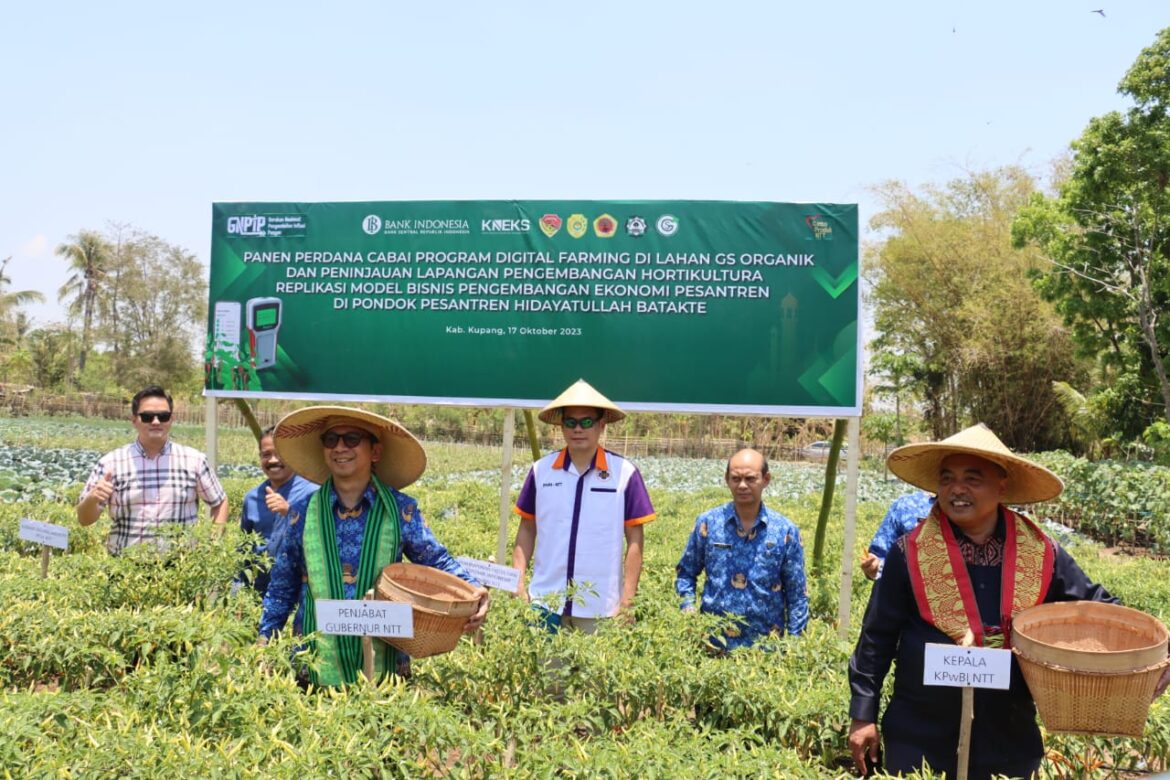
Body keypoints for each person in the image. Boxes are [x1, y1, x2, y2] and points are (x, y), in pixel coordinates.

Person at [847, 423, 1129, 780]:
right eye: (947, 479)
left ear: (1002, 485)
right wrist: (863, 713)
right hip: (920, 732)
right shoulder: (911, 552)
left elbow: (1093, 606)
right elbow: (877, 636)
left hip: (1008, 735)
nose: (956, 489)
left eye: (972, 479)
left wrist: (1150, 647)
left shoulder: (1042, 552)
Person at [258, 406, 489, 686]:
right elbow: (283, 585)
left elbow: (435, 559)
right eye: (331, 440)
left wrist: (472, 588)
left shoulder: (401, 510)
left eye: (352, 438)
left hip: (386, 665)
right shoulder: (302, 513)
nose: (340, 447)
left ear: (375, 452)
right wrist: (265, 641)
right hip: (315, 665)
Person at [512, 379, 655, 632]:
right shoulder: (541, 471)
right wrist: (519, 583)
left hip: (601, 608)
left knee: (596, 672)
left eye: (586, 422)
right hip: (545, 602)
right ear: (561, 426)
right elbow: (526, 529)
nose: (578, 429)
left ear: (601, 425)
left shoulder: (624, 473)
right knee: (547, 671)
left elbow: (635, 538)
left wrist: (628, 599)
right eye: (571, 422)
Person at [675, 448, 808, 649]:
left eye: (750, 478)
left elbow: (797, 594)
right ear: (727, 479)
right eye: (736, 478)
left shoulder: (785, 531)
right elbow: (685, 573)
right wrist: (689, 609)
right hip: (712, 644)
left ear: (766, 479)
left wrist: (794, 646)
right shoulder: (709, 523)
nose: (742, 485)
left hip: (765, 649)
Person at [77, 385, 229, 554]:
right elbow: (84, 519)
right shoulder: (111, 464)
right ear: (134, 420)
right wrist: (92, 499)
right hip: (125, 569)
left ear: (171, 419)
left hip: (182, 569)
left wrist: (213, 542)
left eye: (163, 416)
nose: (156, 422)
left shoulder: (194, 460)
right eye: (147, 417)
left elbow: (220, 501)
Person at [238, 426, 317, 595]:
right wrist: (238, 589)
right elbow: (244, 548)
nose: (273, 460)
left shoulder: (313, 494)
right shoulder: (252, 498)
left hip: (299, 592)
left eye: (279, 453)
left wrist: (289, 512)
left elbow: (321, 540)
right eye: (266, 454)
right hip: (259, 592)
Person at [859, 491, 935, 580]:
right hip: (902, 589)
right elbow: (880, 555)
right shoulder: (906, 505)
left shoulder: (953, 511)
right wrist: (873, 566)